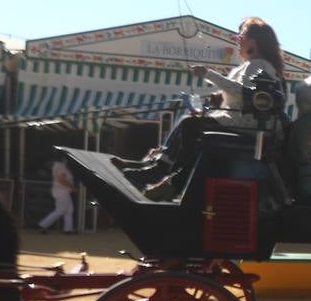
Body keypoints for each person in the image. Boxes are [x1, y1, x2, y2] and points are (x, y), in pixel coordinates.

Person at [121, 17, 287, 201]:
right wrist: (217, 98)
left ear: (253, 41)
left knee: (189, 124)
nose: (237, 40)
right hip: (242, 121)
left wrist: (208, 74)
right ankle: (161, 169)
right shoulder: (255, 65)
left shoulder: (259, 65)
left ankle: (161, 171)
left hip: (247, 125)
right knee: (190, 124)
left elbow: (246, 94)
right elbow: (241, 95)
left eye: (241, 37)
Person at [38, 159, 75, 234]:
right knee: (60, 210)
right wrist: (72, 186)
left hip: (63, 191)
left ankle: (68, 230)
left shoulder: (60, 165)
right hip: (61, 191)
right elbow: (61, 179)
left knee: (69, 210)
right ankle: (43, 225)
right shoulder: (60, 166)